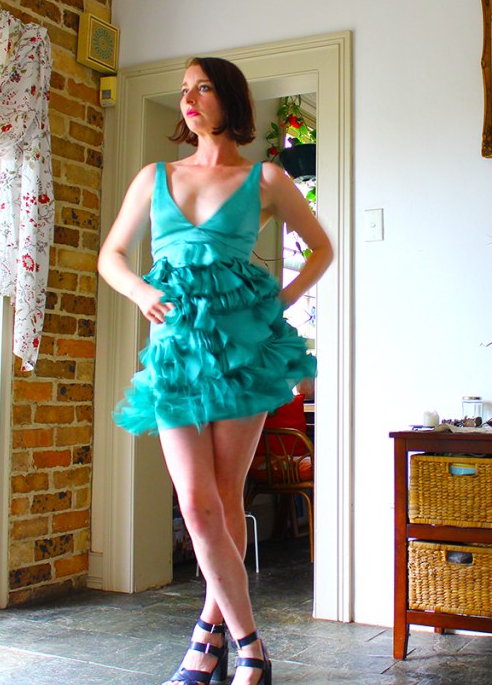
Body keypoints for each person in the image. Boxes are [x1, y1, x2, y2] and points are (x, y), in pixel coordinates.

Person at [98, 56, 333, 685]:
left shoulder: (266, 179)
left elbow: (322, 249)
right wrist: (139, 292)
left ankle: (207, 644)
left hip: (244, 352)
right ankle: (249, 645)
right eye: (184, 90)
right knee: (199, 507)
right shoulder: (155, 177)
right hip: (176, 353)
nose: (190, 98)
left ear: (229, 98)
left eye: (203, 87)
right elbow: (111, 254)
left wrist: (280, 300)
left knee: (226, 499)